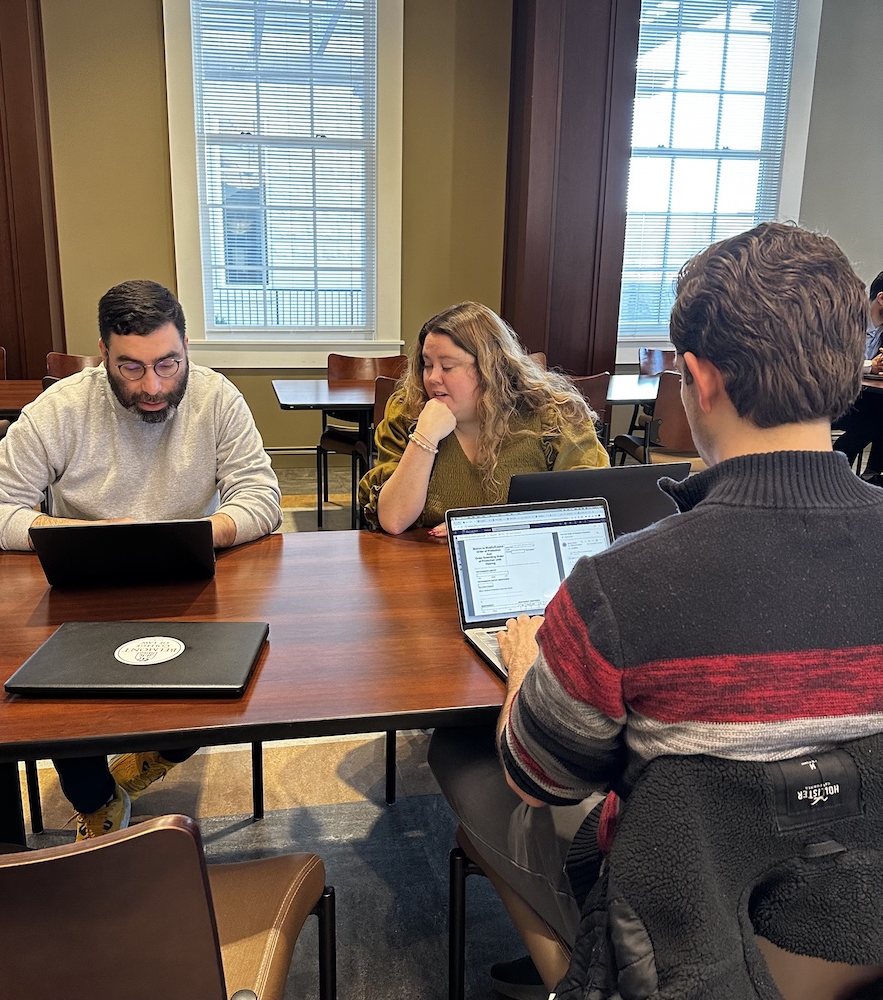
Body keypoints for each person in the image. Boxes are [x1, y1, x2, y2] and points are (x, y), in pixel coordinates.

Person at [487, 222, 883, 994]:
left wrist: (523, 669)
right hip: (861, 926)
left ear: (698, 379)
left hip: (681, 946)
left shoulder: (618, 587)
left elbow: (543, 778)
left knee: (471, 769)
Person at [0, 279, 282, 838]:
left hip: (191, 581)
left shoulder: (216, 399)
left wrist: (196, 532)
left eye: (168, 364)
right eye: (131, 368)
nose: (153, 385)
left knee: (233, 671)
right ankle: (95, 797)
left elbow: (261, 497)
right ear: (103, 353)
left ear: (186, 348)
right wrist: (74, 534)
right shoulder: (60, 409)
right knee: (50, 696)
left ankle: (162, 751)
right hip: (82, 586)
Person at [358, 301, 609, 535]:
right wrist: (425, 438)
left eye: (447, 367)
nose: (432, 378)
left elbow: (589, 509)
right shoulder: (408, 413)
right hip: (425, 566)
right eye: (427, 365)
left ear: (491, 369)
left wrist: (484, 526)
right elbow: (393, 520)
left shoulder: (551, 415)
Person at [832, 269, 883, 482]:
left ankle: (869, 476)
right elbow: (834, 363)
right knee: (873, 420)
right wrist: (869, 365)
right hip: (836, 397)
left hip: (868, 399)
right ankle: (851, 474)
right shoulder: (846, 321)